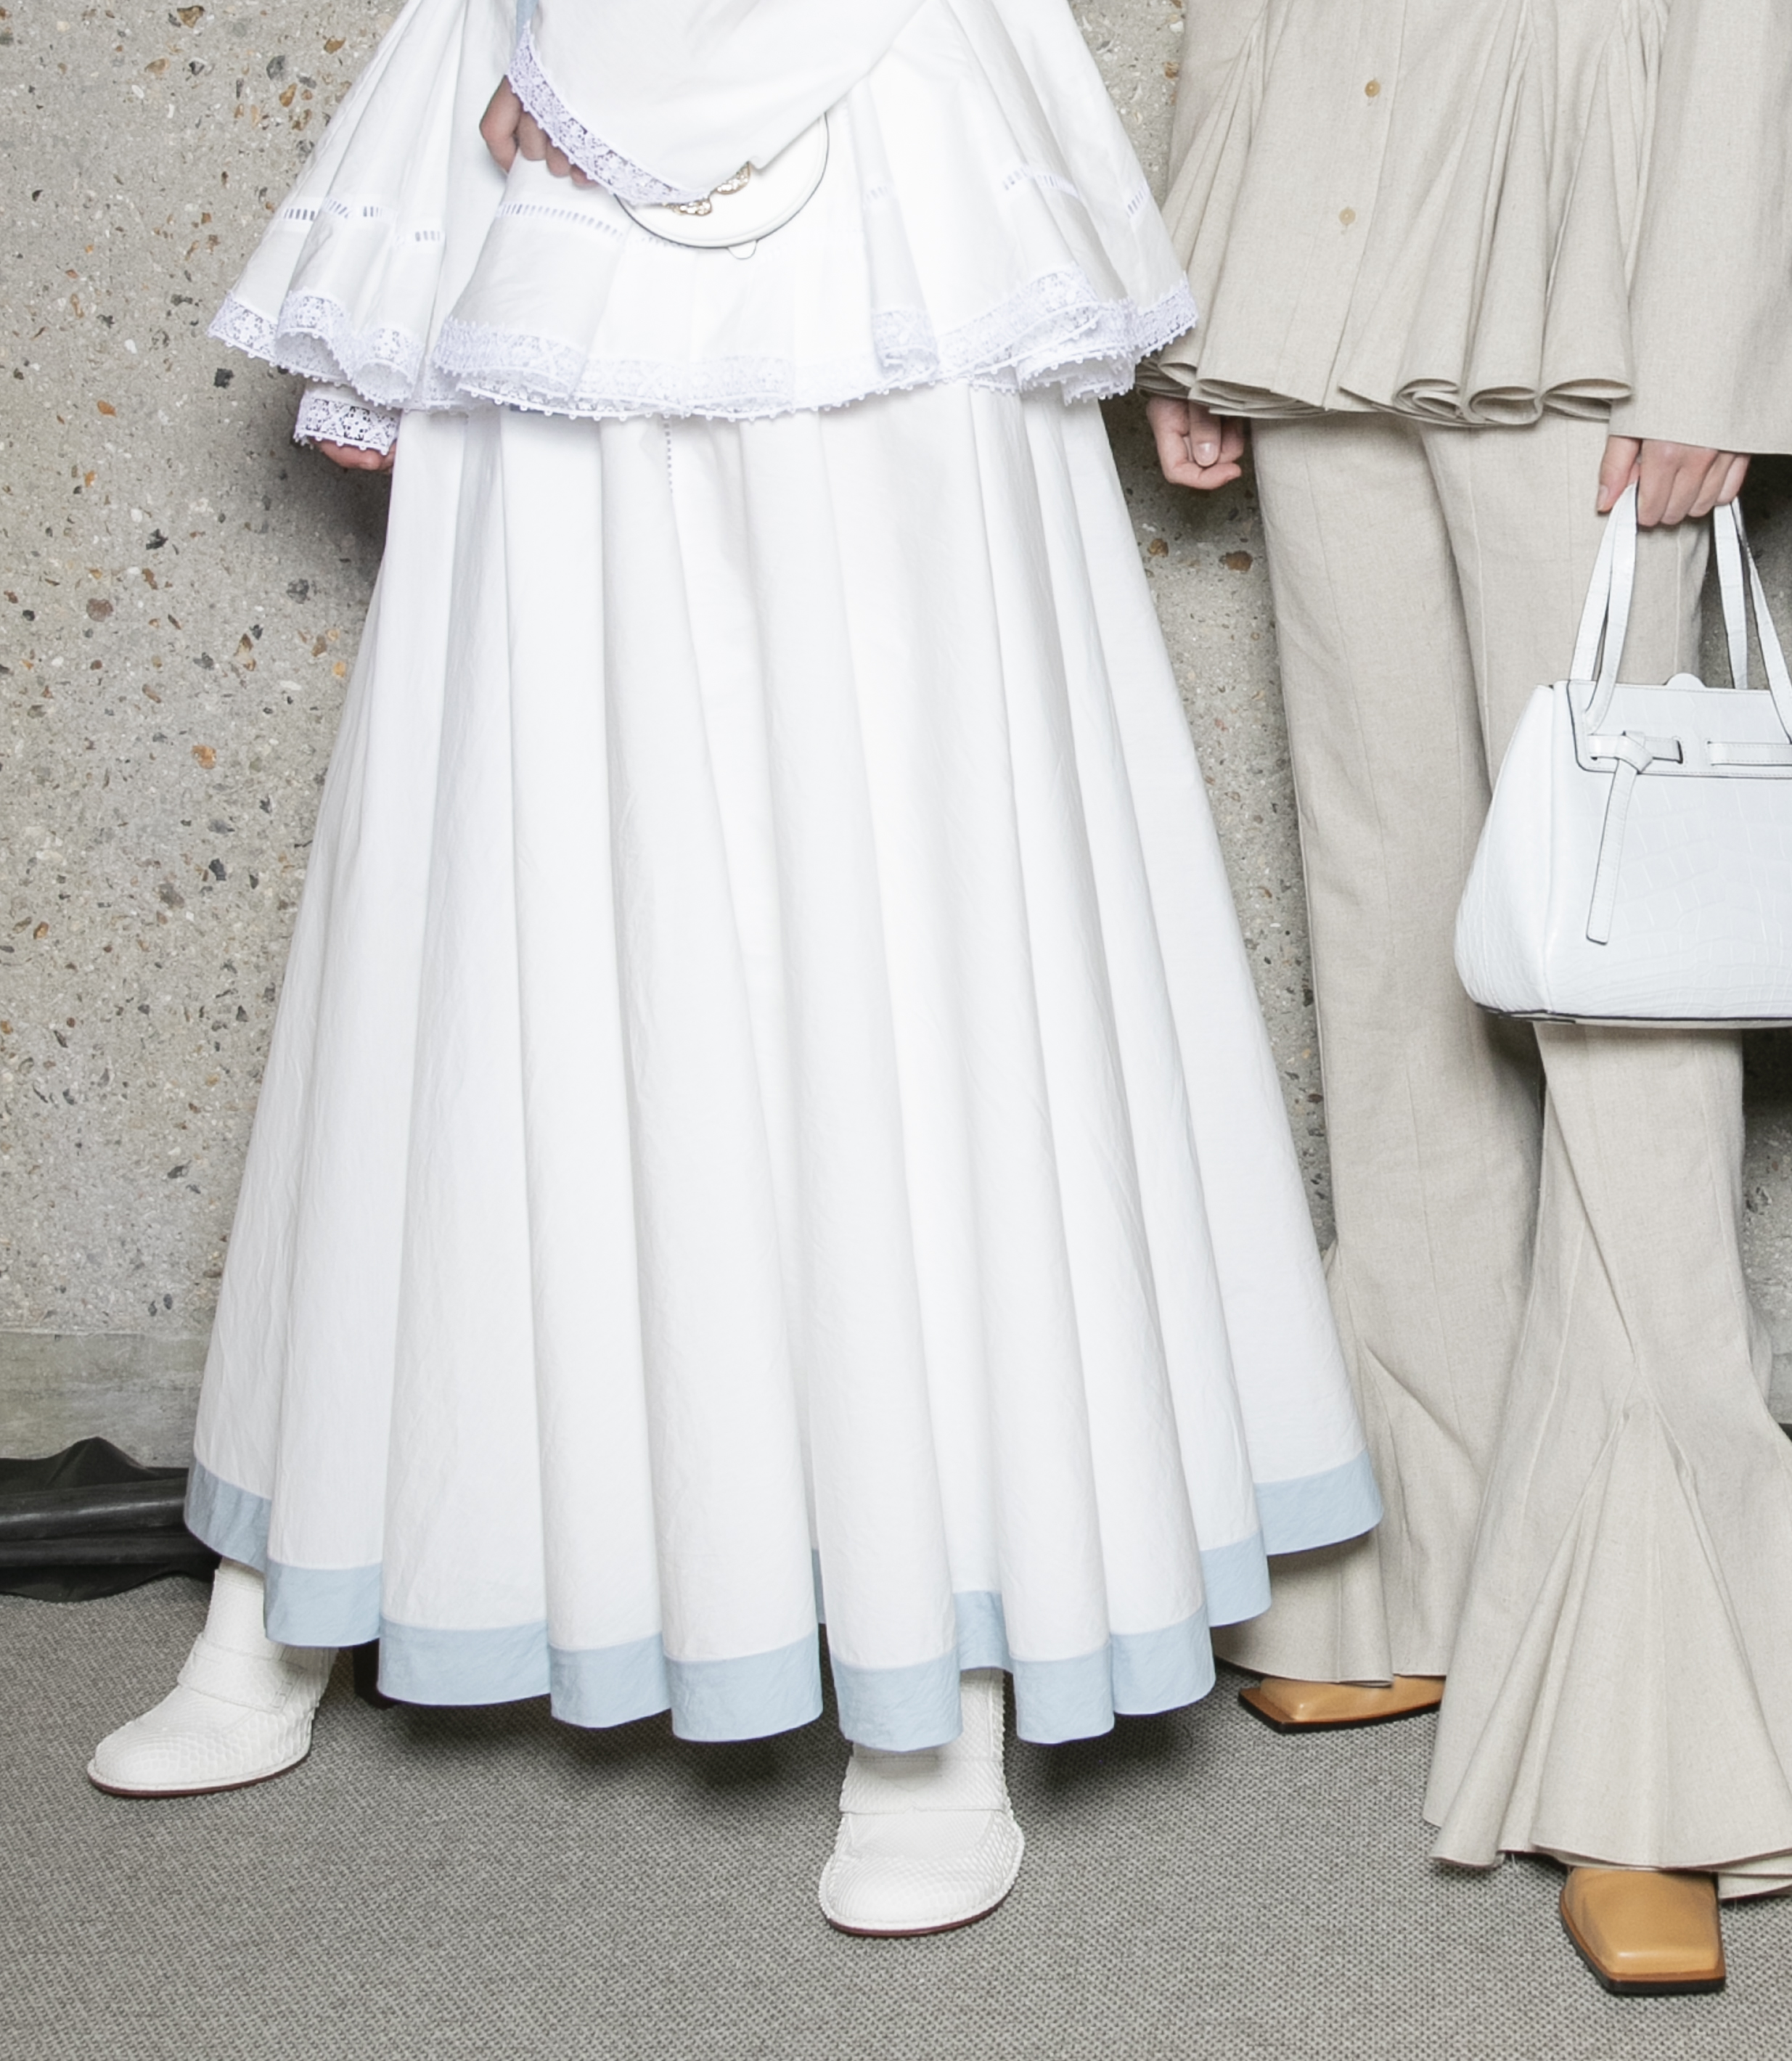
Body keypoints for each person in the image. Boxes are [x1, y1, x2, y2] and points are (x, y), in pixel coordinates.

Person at [89, 0, 1380, 1939]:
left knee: (897, 884)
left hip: (874, 190)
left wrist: (612, 93)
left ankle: (934, 1677)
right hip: (552, 143)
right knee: (488, 871)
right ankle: (301, 1579)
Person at [1140, 0, 1792, 1991]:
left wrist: (1708, 340)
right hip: (1320, 216)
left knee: (1622, 976)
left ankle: (1667, 1731)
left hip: (1591, 238)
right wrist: (1198, 283)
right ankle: (1423, 1561)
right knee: (1389, 929)